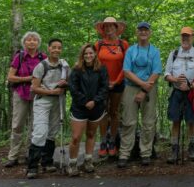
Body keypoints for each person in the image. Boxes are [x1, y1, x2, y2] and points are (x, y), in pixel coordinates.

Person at [118, 22, 162, 168]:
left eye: (146, 30)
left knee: (148, 123)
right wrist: (141, 85)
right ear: (137, 33)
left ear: (150, 33)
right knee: (128, 122)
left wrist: (144, 90)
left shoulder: (155, 51)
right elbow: (126, 71)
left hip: (149, 88)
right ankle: (124, 154)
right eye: (141, 30)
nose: (143, 32)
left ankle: (146, 153)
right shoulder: (131, 51)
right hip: (131, 87)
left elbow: (156, 72)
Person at [26, 38, 70, 179]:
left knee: (52, 131)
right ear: (49, 49)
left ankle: (47, 162)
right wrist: (52, 92)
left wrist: (65, 84)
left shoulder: (64, 66)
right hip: (43, 101)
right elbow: (34, 88)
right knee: (40, 132)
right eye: (54, 47)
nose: (56, 50)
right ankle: (32, 167)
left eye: (59, 47)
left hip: (58, 102)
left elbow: (69, 82)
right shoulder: (41, 66)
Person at [164, 26, 194, 163]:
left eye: (188, 36)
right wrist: (176, 80)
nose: (185, 38)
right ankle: (174, 151)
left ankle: (192, 149)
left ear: (192, 37)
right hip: (176, 92)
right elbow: (166, 74)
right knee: (175, 121)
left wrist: (190, 85)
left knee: (192, 121)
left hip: (192, 93)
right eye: (183, 36)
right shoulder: (174, 53)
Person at [5, 32, 47, 168]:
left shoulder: (43, 57)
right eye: (29, 40)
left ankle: (31, 154)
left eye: (34, 40)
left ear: (38, 43)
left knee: (35, 125)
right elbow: (10, 77)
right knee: (17, 125)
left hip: (38, 93)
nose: (32, 42)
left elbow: (48, 74)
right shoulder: (20, 56)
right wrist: (28, 78)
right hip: (21, 93)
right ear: (25, 43)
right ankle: (13, 156)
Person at [67, 44, 109, 176]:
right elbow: (73, 88)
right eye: (86, 54)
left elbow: (104, 87)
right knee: (76, 137)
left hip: (96, 107)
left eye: (91, 53)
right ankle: (72, 164)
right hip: (79, 107)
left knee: (91, 134)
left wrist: (95, 101)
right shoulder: (77, 69)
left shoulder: (101, 69)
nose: (88, 56)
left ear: (95, 54)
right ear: (82, 55)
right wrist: (85, 101)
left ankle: (88, 161)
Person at [94, 17, 130, 157]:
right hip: (101, 84)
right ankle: (103, 141)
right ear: (103, 29)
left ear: (116, 28)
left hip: (118, 83)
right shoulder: (98, 44)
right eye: (106, 26)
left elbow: (126, 65)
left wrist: (116, 81)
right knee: (103, 112)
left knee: (114, 112)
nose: (109, 29)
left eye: (111, 26)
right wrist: (103, 82)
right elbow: (94, 64)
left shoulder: (123, 44)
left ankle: (112, 141)